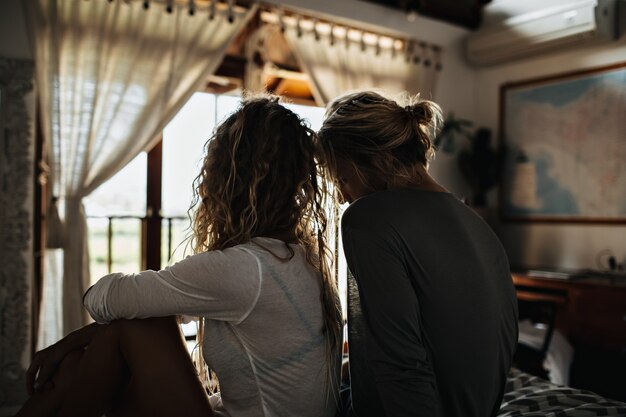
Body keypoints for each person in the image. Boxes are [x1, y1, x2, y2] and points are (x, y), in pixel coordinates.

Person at [17, 95, 342, 417]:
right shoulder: (296, 258)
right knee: (88, 358)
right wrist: (73, 344)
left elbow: (105, 298)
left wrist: (65, 344)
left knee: (138, 326)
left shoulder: (247, 267)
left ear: (229, 180)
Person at [318, 91, 518, 417]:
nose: (342, 196)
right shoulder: (476, 223)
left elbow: (399, 363)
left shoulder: (368, 217)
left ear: (380, 160)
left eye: (343, 178)